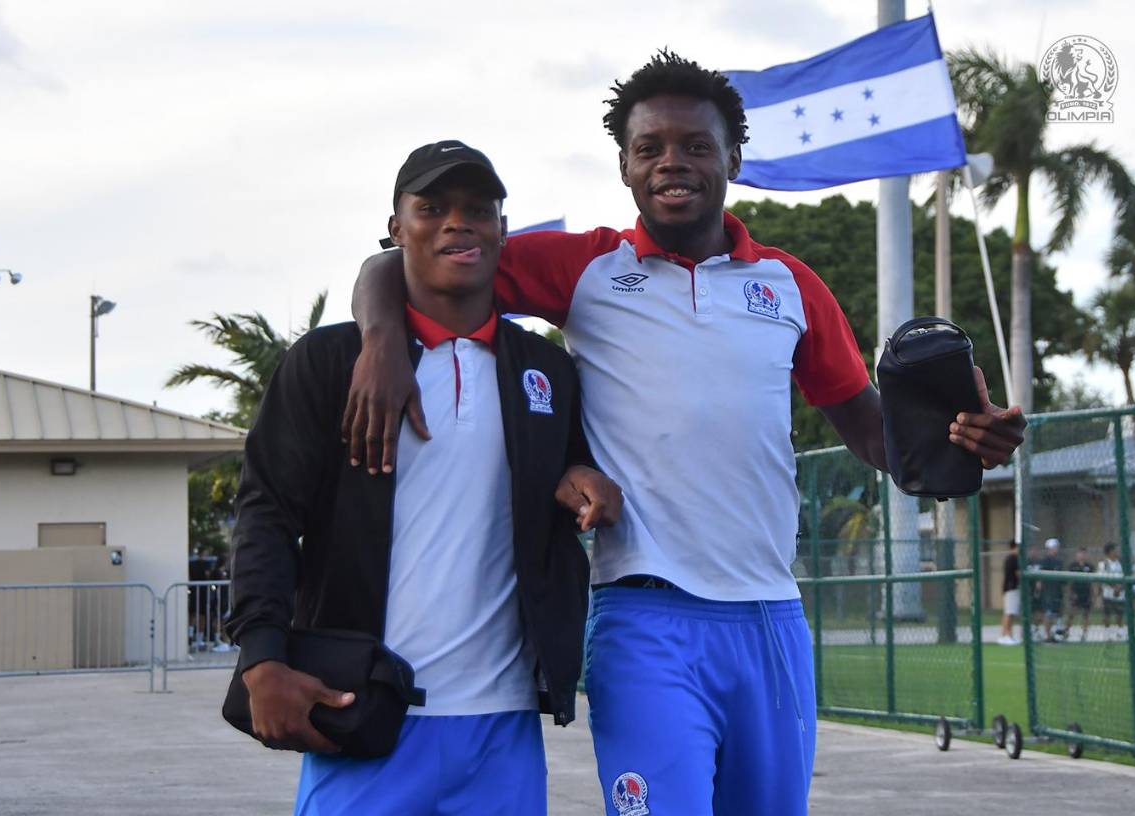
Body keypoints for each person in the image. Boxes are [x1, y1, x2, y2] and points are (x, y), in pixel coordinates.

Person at [345, 53, 1027, 816]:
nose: (673, 162)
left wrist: (957, 439)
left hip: (770, 619)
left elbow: (872, 434)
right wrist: (378, 342)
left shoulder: (790, 285)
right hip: (645, 618)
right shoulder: (584, 269)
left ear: (732, 158)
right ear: (626, 167)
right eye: (650, 148)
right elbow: (393, 265)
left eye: (696, 146)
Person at [225, 140, 623, 815]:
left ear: (502, 227)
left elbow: (565, 466)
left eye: (478, 209)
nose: (456, 222)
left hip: (502, 725)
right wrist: (261, 656)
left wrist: (582, 479)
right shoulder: (332, 361)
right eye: (432, 207)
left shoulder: (547, 371)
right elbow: (266, 512)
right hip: (366, 711)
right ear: (395, 229)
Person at [1037, 538, 1065, 642]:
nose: (1056, 549)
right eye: (1054, 547)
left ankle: (1055, 634)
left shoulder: (1059, 561)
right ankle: (1047, 635)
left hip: (1057, 591)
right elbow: (1040, 579)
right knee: (1048, 613)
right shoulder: (1045, 561)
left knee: (1056, 613)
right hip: (1048, 591)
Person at [1099, 542, 1126, 640]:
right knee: (1107, 614)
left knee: (1120, 613)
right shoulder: (1103, 564)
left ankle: (1120, 632)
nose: (1116, 552)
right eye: (1114, 550)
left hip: (1120, 593)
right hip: (1108, 593)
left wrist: (1120, 587)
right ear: (1109, 552)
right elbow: (1104, 578)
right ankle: (1107, 633)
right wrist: (1114, 587)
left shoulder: (1121, 563)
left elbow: (1125, 576)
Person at [1067, 546, 1094, 642]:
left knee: (1086, 614)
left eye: (1084, 554)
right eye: (1080, 553)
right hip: (1076, 593)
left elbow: (1091, 582)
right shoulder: (1073, 566)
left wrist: (1092, 595)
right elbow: (1070, 581)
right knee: (1071, 613)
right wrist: (1071, 593)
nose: (1082, 556)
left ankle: (1084, 634)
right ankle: (1067, 632)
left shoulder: (1089, 566)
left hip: (1086, 593)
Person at [997, 541, 1021, 645]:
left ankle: (1007, 635)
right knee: (1009, 612)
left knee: (1010, 612)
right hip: (1011, 588)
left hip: (1011, 588)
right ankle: (1005, 635)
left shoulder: (1013, 558)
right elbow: (1017, 574)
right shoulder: (1012, 558)